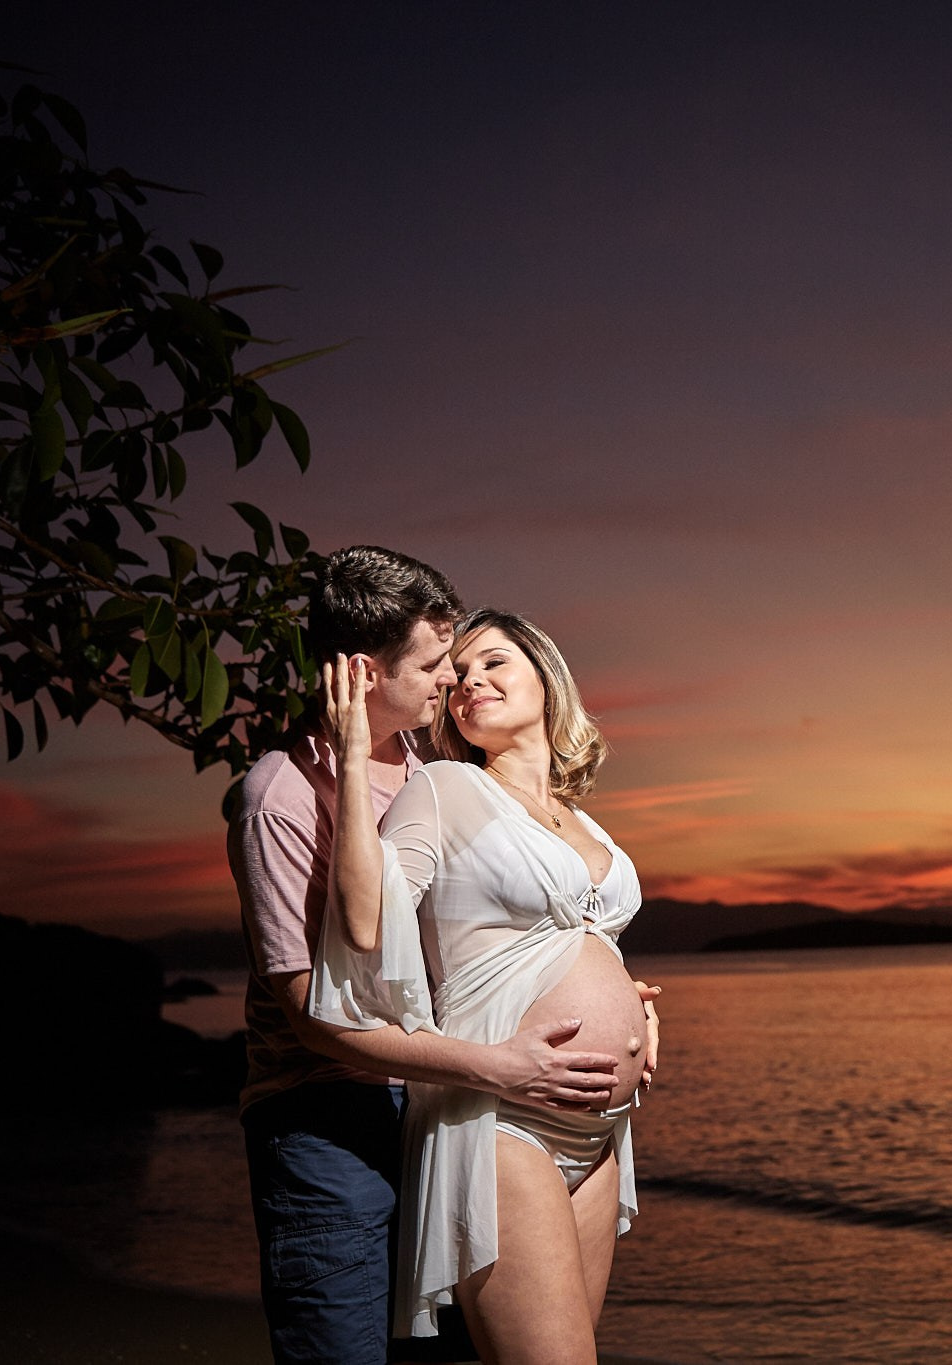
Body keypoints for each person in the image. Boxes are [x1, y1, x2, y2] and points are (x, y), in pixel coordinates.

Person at [230, 547, 649, 1365]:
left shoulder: (437, 764)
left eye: (476, 661)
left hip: (461, 1097)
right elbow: (316, 1000)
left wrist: (631, 999)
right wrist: (498, 1066)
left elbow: (501, 930)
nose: (454, 681)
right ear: (364, 671)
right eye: (437, 666)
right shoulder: (283, 794)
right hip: (332, 1109)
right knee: (346, 1349)